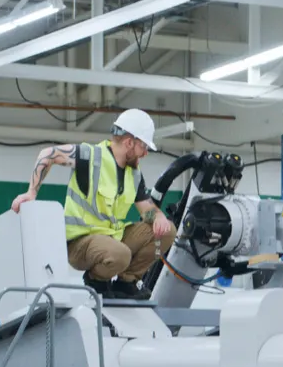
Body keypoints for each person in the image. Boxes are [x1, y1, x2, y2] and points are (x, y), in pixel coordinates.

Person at [11, 108, 176, 299]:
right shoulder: (90, 156)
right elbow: (48, 154)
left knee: (167, 231)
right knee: (120, 254)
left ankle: (126, 283)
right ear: (129, 143)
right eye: (143, 147)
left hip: (113, 240)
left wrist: (158, 217)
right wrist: (32, 192)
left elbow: (145, 210)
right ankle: (96, 280)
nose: (145, 153)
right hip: (81, 243)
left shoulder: (134, 174)